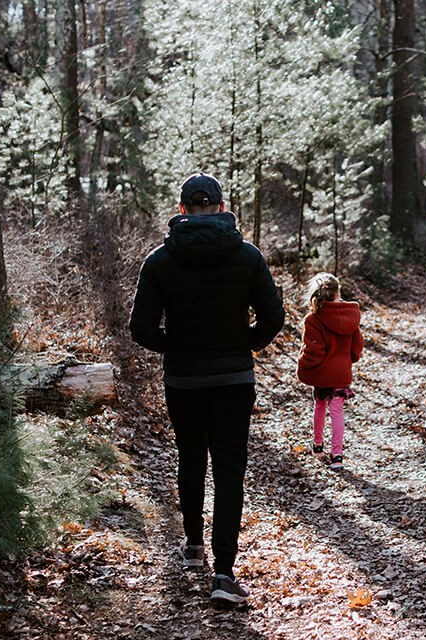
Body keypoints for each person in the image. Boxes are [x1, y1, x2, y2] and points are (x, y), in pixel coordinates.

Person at [129, 172, 285, 605]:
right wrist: (243, 346)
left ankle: (193, 546)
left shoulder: (159, 260)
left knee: (191, 457)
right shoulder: (247, 257)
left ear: (182, 209)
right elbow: (273, 318)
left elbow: (140, 327)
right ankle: (223, 573)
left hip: (183, 379)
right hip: (234, 380)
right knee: (229, 470)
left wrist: (175, 348)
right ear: (220, 208)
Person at [296, 273, 363, 470]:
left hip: (322, 373)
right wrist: (347, 360)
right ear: (338, 292)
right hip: (341, 373)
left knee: (319, 406)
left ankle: (317, 446)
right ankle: (337, 456)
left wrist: (303, 365)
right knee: (337, 412)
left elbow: (313, 352)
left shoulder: (313, 319)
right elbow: (357, 346)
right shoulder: (350, 316)